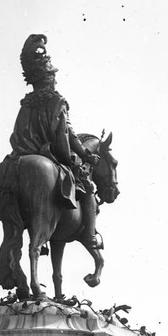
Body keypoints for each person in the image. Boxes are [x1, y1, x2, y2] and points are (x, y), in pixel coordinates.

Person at [8, 34, 101, 250]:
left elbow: (16, 133)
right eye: (53, 75)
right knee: (86, 187)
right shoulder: (57, 101)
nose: (55, 79)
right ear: (49, 78)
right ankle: (89, 235)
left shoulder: (26, 104)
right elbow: (66, 135)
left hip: (20, 155)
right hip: (49, 154)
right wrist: (84, 156)